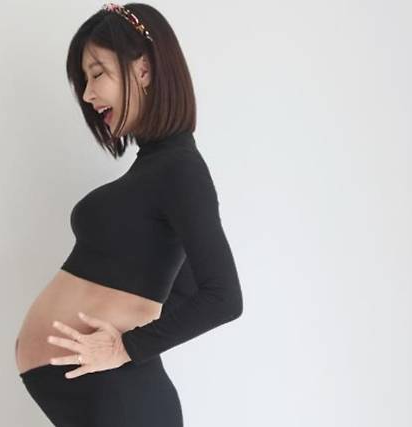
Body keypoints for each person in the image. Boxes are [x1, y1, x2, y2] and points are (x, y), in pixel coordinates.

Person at [15, 3, 243, 426]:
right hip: (110, 400)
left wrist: (125, 348)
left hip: (122, 400)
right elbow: (187, 289)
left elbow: (224, 297)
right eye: (84, 80)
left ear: (144, 70)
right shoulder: (155, 170)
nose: (87, 94)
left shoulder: (180, 168)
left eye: (97, 73)